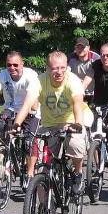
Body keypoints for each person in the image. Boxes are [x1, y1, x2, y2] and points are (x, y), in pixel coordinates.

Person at [12, 51, 87, 195]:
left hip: (70, 123)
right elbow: (27, 105)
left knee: (75, 144)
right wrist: (17, 124)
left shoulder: (73, 81)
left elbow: (78, 103)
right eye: (55, 68)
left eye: (62, 68)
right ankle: (43, 210)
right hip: (48, 125)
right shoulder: (39, 80)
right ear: (47, 68)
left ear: (67, 67)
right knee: (44, 169)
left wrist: (78, 123)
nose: (59, 72)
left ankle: (78, 173)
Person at [0, 51, 41, 182]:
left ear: (22, 64)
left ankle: (30, 172)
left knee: (30, 140)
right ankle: (7, 153)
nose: (12, 68)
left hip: (29, 109)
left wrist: (30, 113)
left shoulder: (31, 76)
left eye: (15, 65)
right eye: (9, 65)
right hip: (10, 108)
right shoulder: (2, 75)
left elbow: (33, 100)